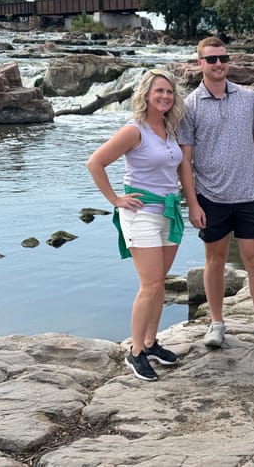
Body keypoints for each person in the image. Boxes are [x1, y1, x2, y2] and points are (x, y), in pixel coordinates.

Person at [177, 37, 254, 359]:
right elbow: (185, 160)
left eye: (222, 58)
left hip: (251, 194)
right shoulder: (190, 105)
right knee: (215, 262)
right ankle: (217, 324)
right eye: (211, 59)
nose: (218, 64)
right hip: (211, 197)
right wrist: (192, 202)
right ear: (200, 64)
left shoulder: (249, 98)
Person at [86, 68, 186, 382]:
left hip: (169, 212)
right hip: (141, 213)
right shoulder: (135, 130)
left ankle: (151, 342)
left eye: (169, 92)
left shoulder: (170, 131)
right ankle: (135, 353)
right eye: (159, 91)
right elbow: (95, 162)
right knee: (151, 284)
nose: (165, 96)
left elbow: (181, 170)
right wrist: (116, 199)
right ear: (145, 94)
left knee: (161, 281)